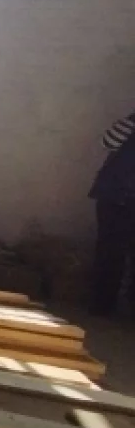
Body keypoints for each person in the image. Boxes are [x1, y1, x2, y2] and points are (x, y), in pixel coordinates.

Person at [89, 109, 135, 317]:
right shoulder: (130, 125)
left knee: (111, 252)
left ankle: (111, 306)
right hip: (116, 198)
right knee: (110, 253)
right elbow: (108, 142)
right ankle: (102, 305)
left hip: (116, 196)